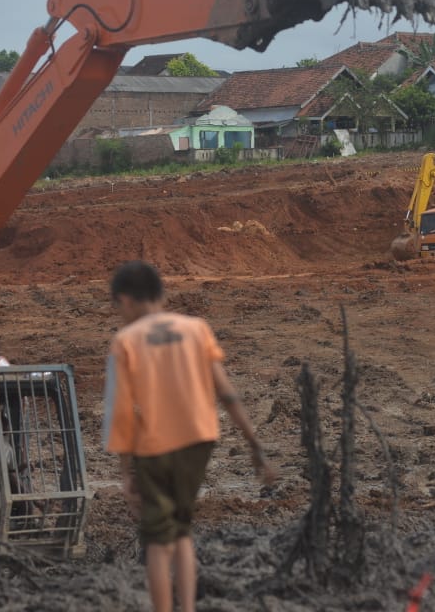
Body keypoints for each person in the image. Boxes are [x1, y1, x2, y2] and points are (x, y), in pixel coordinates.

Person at [102, 260, 276, 612]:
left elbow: (121, 413)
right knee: (182, 529)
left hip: (155, 447)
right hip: (199, 441)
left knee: (155, 539)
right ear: (161, 294)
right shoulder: (197, 329)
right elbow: (225, 392)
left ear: (125, 300)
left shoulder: (125, 341)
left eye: (117, 307)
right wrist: (254, 443)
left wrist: (125, 472)